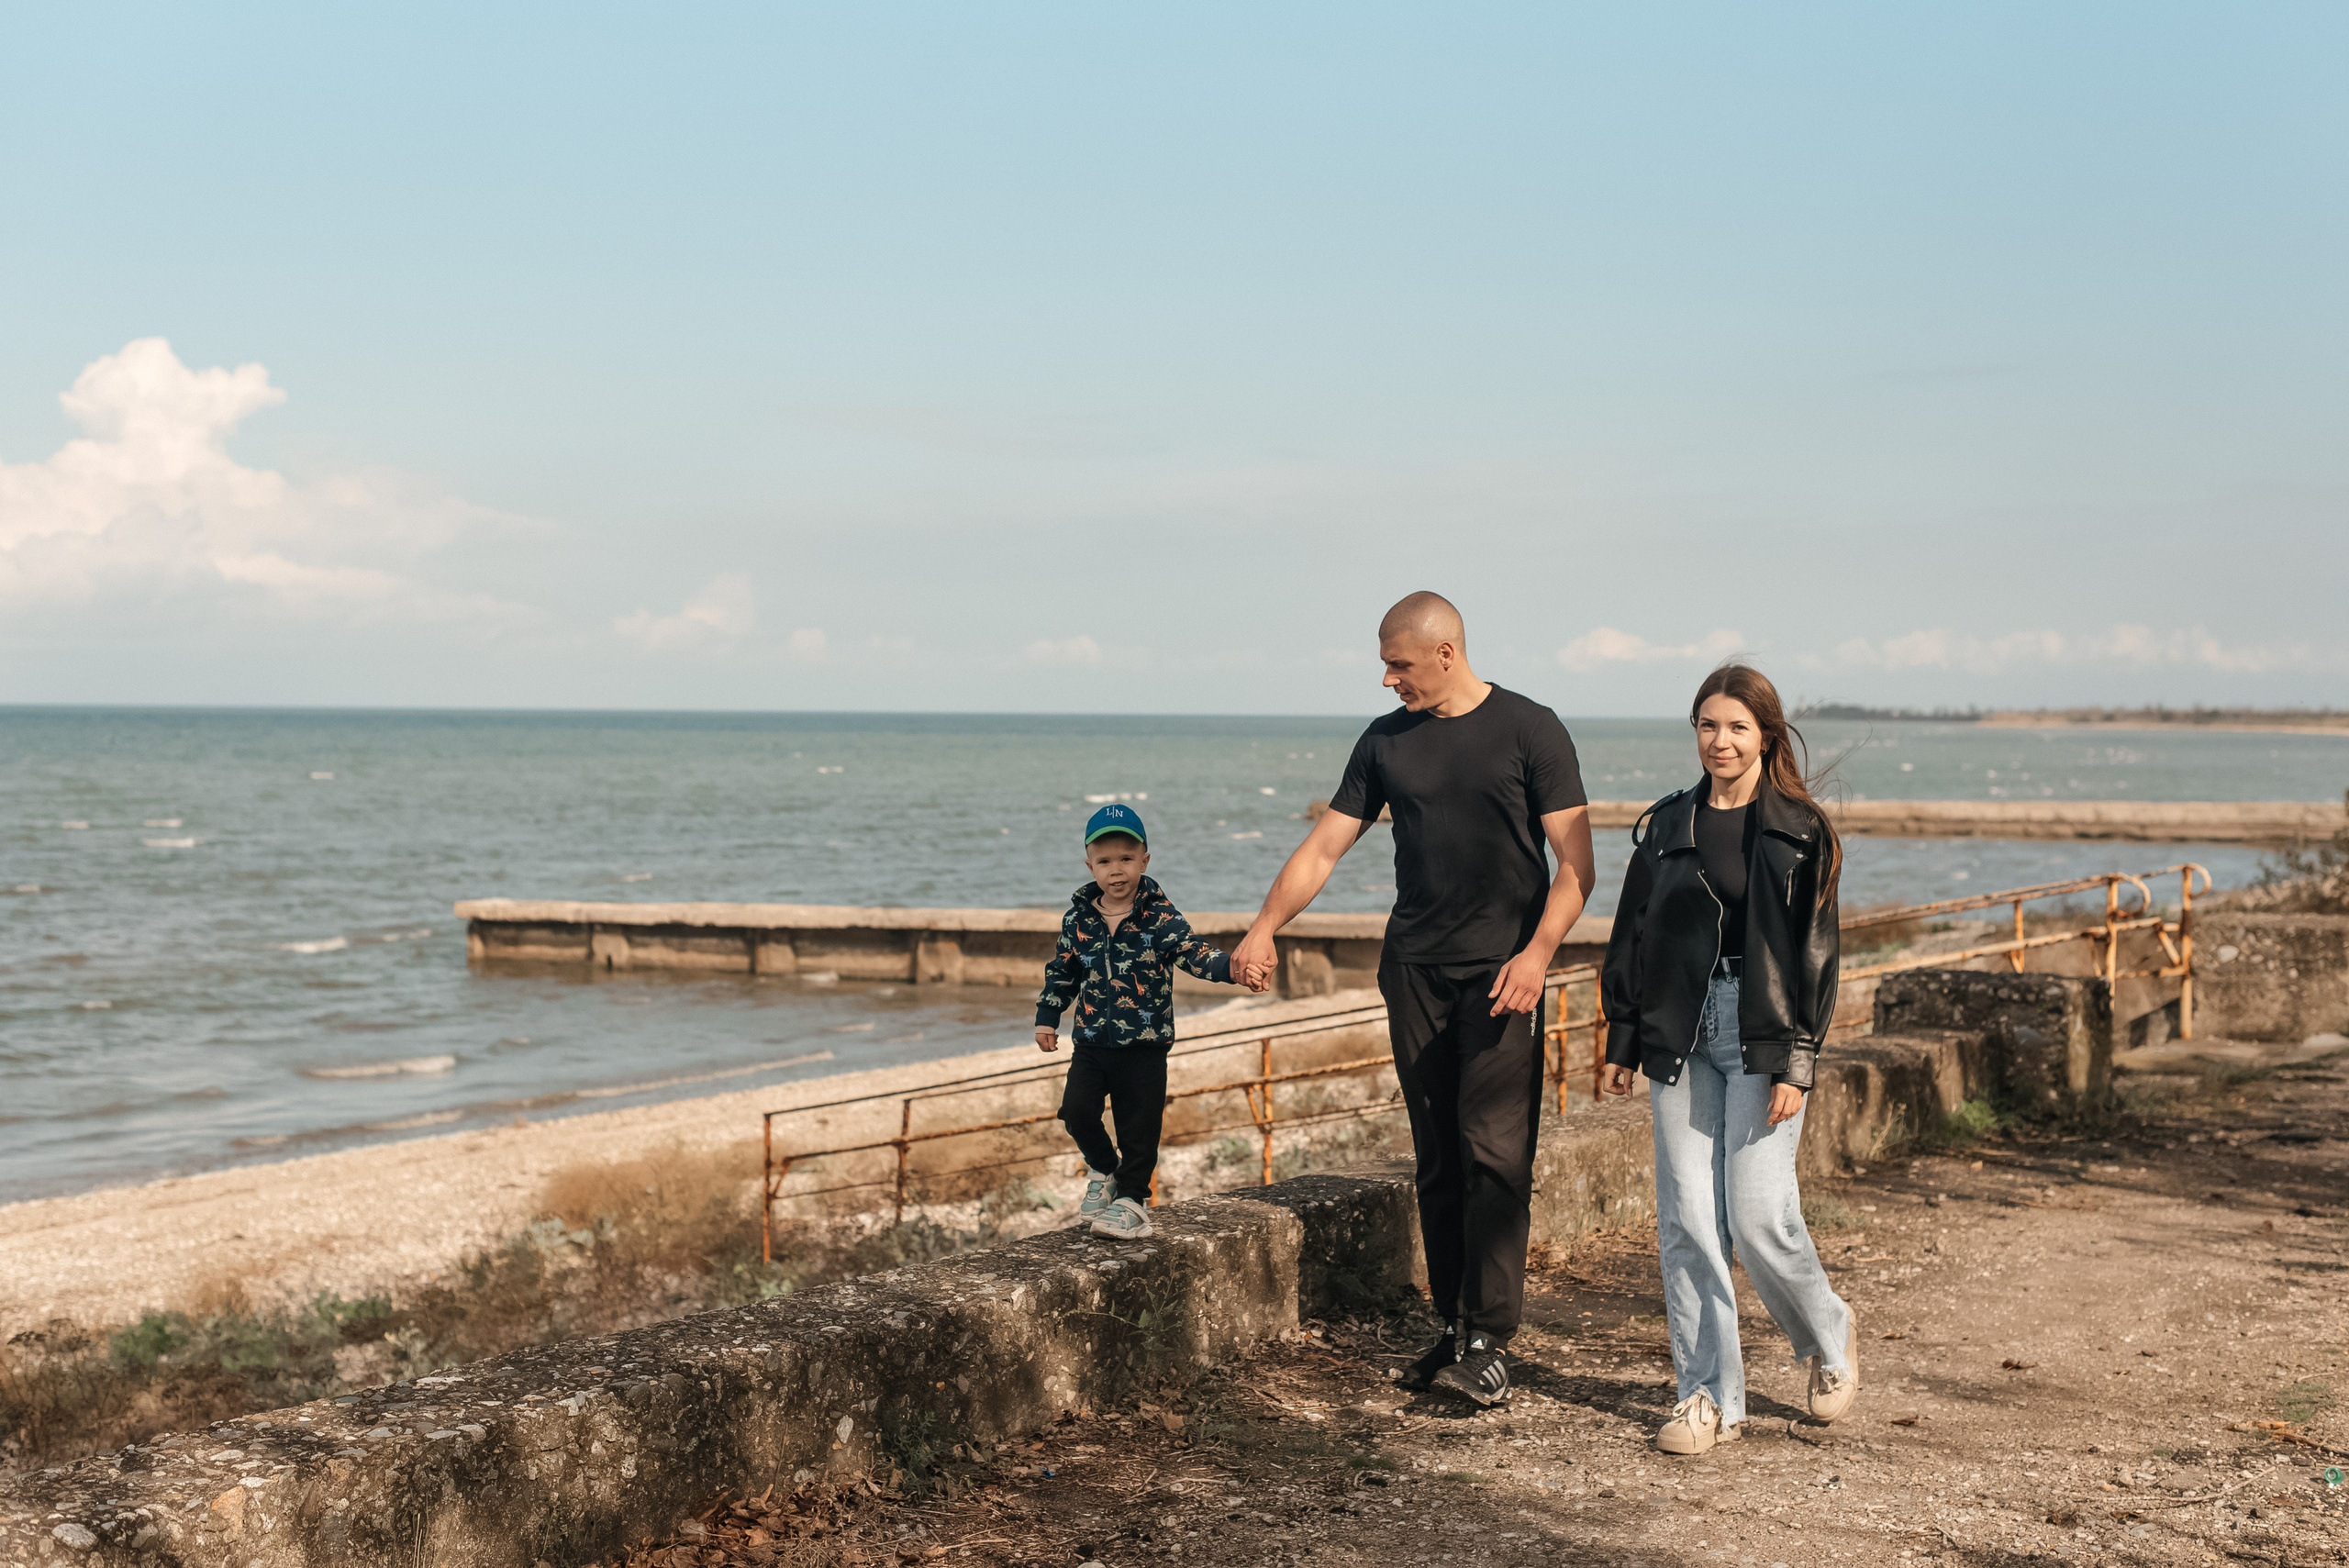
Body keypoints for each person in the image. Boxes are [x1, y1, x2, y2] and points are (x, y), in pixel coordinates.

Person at [1230, 593, 1593, 1407]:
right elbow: (1324, 847)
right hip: (1415, 972)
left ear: (1445, 653)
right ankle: (1453, 1326)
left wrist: (1537, 954)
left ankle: (1491, 1339)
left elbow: (1577, 865)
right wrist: (1264, 926)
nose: (1388, 678)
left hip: (1502, 974)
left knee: (1494, 1153)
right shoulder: (1384, 740)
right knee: (1437, 1156)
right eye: (1386, 664)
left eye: (1398, 664)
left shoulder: (1531, 729)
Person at [1598, 662, 1857, 1454]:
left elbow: (1817, 954)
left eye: (1738, 726)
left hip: (1762, 1032)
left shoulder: (1800, 829)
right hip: (1679, 1032)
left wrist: (1798, 1060)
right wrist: (1622, 1037)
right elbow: (1632, 935)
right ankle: (1708, 1396)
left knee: (1757, 1214)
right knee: (1687, 1219)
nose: (1721, 740)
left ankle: (1827, 1331)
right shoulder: (1667, 825)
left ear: (1766, 735)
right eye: (1708, 725)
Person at [1036, 803, 1255, 1240]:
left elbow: (1192, 952)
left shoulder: (1159, 916)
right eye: (1105, 861)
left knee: (1138, 1128)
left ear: (1144, 861)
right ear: (1090, 866)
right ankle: (1104, 1169)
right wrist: (1048, 1016)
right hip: (1092, 1041)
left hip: (1145, 1044)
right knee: (1076, 1111)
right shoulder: (1078, 918)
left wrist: (1231, 968)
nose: (1116, 870)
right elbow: (1063, 970)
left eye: (1126, 858)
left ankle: (1132, 1200)